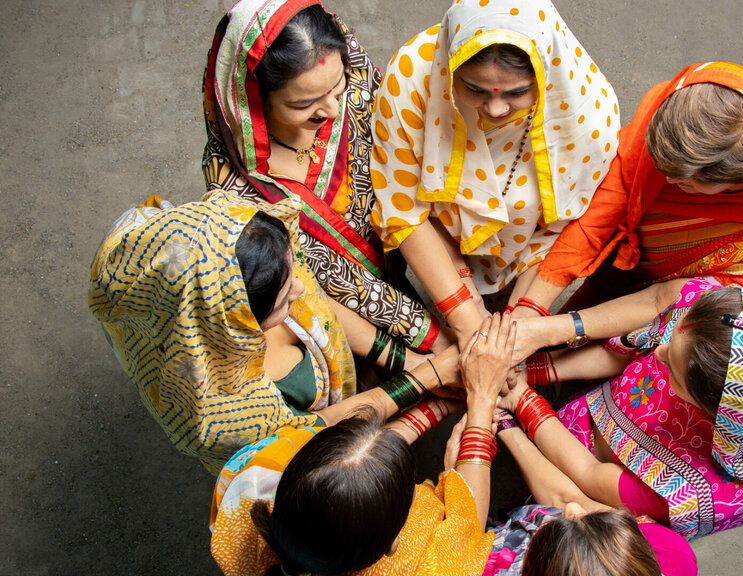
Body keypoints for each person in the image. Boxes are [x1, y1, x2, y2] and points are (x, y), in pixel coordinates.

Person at [210, 315, 693, 576]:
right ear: (397, 536)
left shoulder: (241, 490)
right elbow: (465, 509)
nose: (569, 510)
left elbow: (316, 428)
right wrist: (481, 400)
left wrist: (434, 383)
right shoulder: (441, 564)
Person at [89, 191, 459, 472]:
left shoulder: (230, 248)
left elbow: (320, 313)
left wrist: (411, 363)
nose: (300, 289)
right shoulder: (232, 414)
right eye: (283, 301)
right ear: (235, 325)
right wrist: (429, 379)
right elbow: (314, 433)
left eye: (292, 272)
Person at [502, 277, 743, 539]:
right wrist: (530, 373)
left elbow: (587, 476)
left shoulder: (692, 493)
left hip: (570, 469)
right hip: (575, 419)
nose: (657, 352)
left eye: (672, 372)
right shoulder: (717, 323)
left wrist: (517, 402)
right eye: (671, 339)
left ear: (718, 417)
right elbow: (623, 349)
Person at [202, 0, 445, 353]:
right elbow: (303, 292)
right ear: (254, 99)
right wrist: (408, 360)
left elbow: (406, 171)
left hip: (402, 246)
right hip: (338, 319)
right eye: (304, 104)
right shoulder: (232, 188)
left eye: (337, 85)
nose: (333, 108)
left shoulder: (353, 76)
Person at [370, 0, 620, 343]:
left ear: (545, 73)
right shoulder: (413, 78)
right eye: (474, 89)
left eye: (517, 92)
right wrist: (467, 317)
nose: (496, 109)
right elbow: (402, 210)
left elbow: (566, 228)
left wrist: (517, 328)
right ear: (449, 68)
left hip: (526, 254)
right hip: (440, 237)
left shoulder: (590, 114)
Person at [522, 61, 743, 310]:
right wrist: (529, 307)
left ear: (738, 183)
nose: (667, 179)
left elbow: (670, 306)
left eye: (686, 183)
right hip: (621, 264)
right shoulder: (691, 105)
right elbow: (606, 205)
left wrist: (555, 333)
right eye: (660, 164)